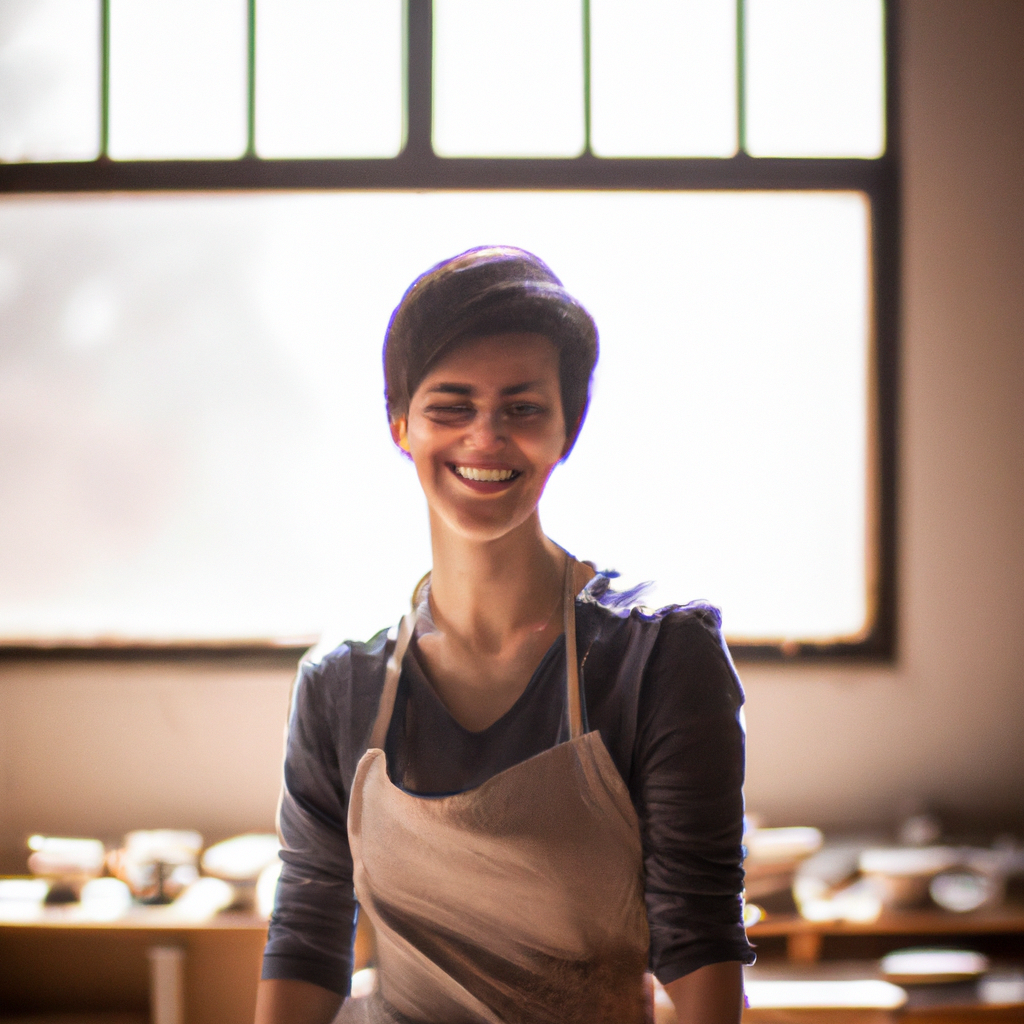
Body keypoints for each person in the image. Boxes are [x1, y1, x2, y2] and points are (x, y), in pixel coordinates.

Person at [255, 246, 755, 1024]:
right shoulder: (338, 686)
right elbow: (309, 934)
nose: (485, 438)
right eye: (450, 406)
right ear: (400, 424)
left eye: (522, 408)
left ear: (567, 430)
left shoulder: (658, 656)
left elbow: (700, 936)